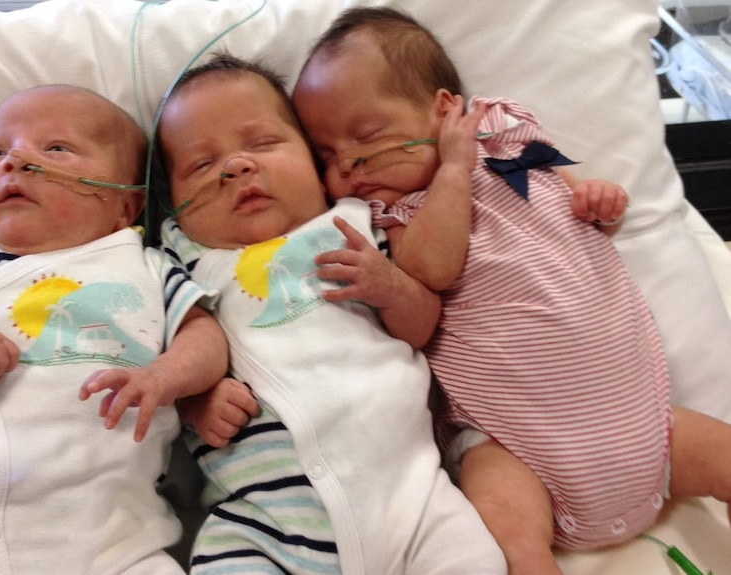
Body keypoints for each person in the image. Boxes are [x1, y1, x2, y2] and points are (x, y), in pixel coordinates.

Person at [291, 7, 731, 575]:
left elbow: (565, 200)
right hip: (516, 450)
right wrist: (451, 171)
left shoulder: (505, 140)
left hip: (642, 427)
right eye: (326, 155)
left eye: (367, 136)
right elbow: (432, 269)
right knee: (510, 532)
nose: (347, 163)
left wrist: (595, 198)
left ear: (445, 110)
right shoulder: (390, 213)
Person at [149, 53, 507, 575]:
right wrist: (193, 403)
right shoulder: (180, 260)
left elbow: (422, 324)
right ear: (173, 206)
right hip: (266, 526)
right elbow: (165, 358)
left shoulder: (356, 222)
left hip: (411, 501)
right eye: (202, 165)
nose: (236, 167)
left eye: (264, 143)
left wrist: (392, 289)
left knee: (477, 561)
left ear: (319, 170)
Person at [0, 84, 231, 574]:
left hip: (113, 540)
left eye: (55, 148)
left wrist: (165, 377)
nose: (14, 160)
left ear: (125, 208)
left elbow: (204, 335)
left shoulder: (142, 265)